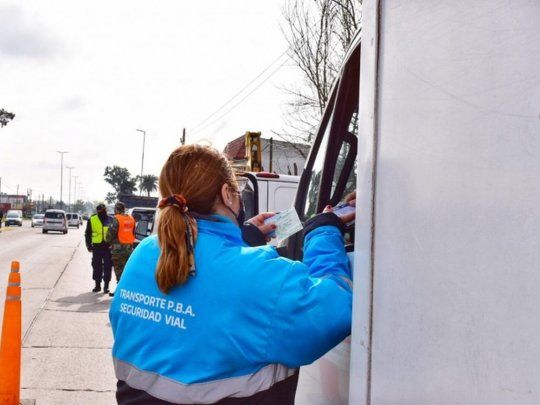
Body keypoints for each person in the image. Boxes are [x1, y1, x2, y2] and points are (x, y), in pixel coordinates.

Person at [109, 145, 355, 404]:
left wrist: (244, 238)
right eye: (237, 193)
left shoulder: (145, 253)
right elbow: (337, 308)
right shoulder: (262, 278)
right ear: (227, 194)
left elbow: (210, 281)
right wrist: (322, 230)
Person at [105, 201, 136, 297]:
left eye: (115, 209)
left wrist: (107, 240)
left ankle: (120, 292)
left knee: (119, 271)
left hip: (118, 251)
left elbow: (110, 235)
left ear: (117, 209)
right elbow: (133, 232)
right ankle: (128, 290)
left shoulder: (116, 219)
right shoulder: (131, 219)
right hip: (129, 249)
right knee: (127, 271)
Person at [85, 203, 113, 293]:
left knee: (107, 266)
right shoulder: (92, 219)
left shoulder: (111, 219)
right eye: (100, 211)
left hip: (108, 247)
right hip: (96, 247)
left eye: (103, 210)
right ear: (97, 211)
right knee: (96, 266)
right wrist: (88, 245)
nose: (101, 212)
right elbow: (88, 234)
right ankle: (97, 285)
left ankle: (106, 286)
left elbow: (114, 234)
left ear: (106, 210)